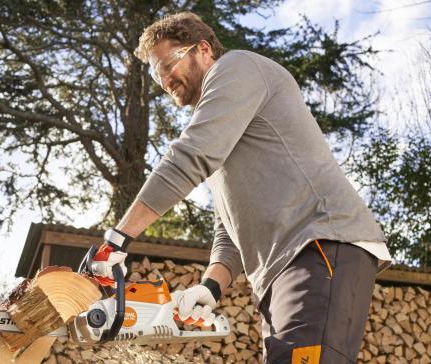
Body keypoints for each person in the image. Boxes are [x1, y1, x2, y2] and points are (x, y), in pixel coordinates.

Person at [90, 12, 391, 364]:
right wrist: (210, 286)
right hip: (282, 271)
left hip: (319, 243)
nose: (166, 79)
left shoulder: (236, 67)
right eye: (158, 76)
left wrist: (118, 240)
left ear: (203, 49)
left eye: (169, 63)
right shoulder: (226, 122)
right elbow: (230, 228)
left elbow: (191, 155)